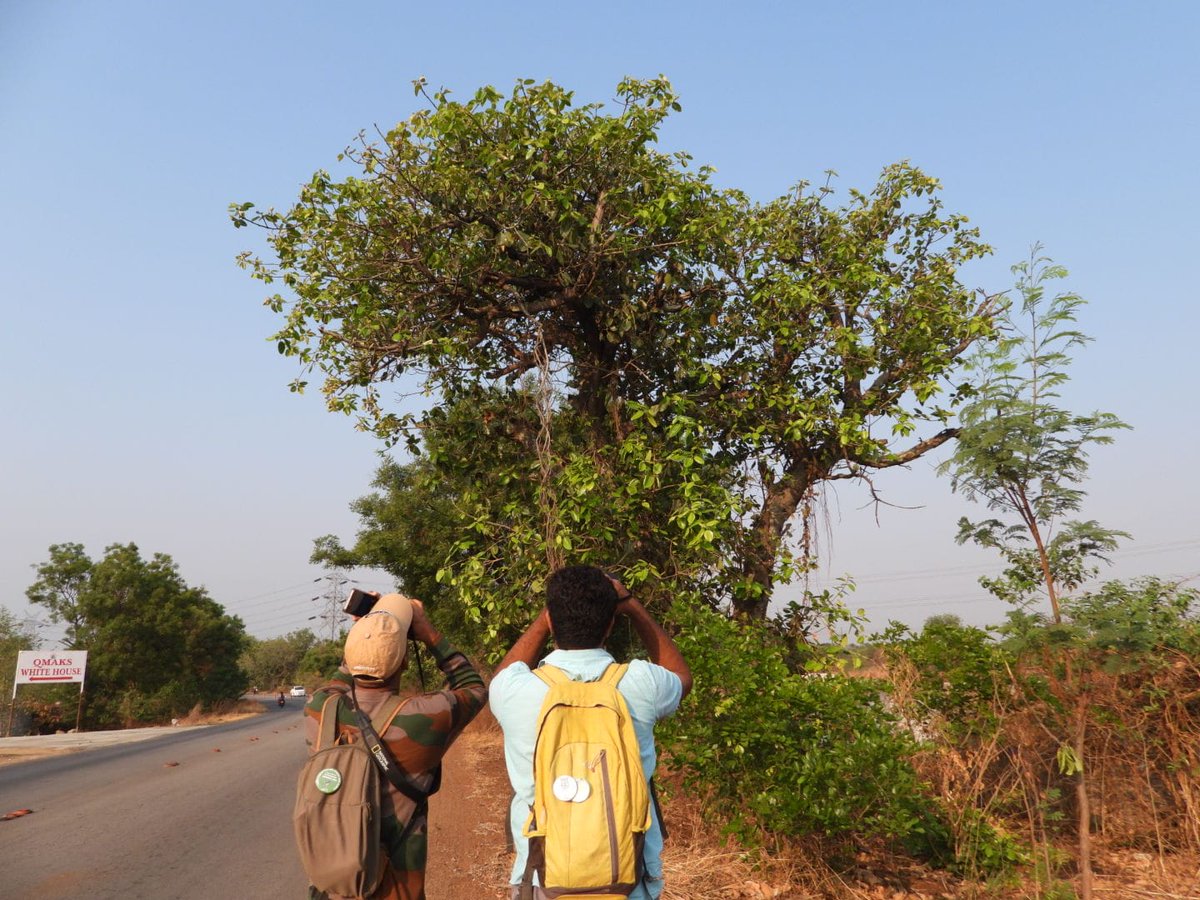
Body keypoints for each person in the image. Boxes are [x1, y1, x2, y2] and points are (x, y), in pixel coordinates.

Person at [489, 565, 693, 900]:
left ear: (551, 620)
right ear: (611, 624)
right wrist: (631, 604)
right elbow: (682, 677)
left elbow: (500, 678)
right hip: (627, 882)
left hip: (544, 881)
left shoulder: (515, 691)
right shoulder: (641, 682)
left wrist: (547, 617)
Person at [303, 593, 487, 900]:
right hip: (395, 891)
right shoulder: (424, 716)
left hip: (332, 887)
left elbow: (338, 681)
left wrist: (367, 630)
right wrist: (427, 631)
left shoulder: (319, 708)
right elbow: (473, 687)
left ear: (350, 653)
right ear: (403, 660)